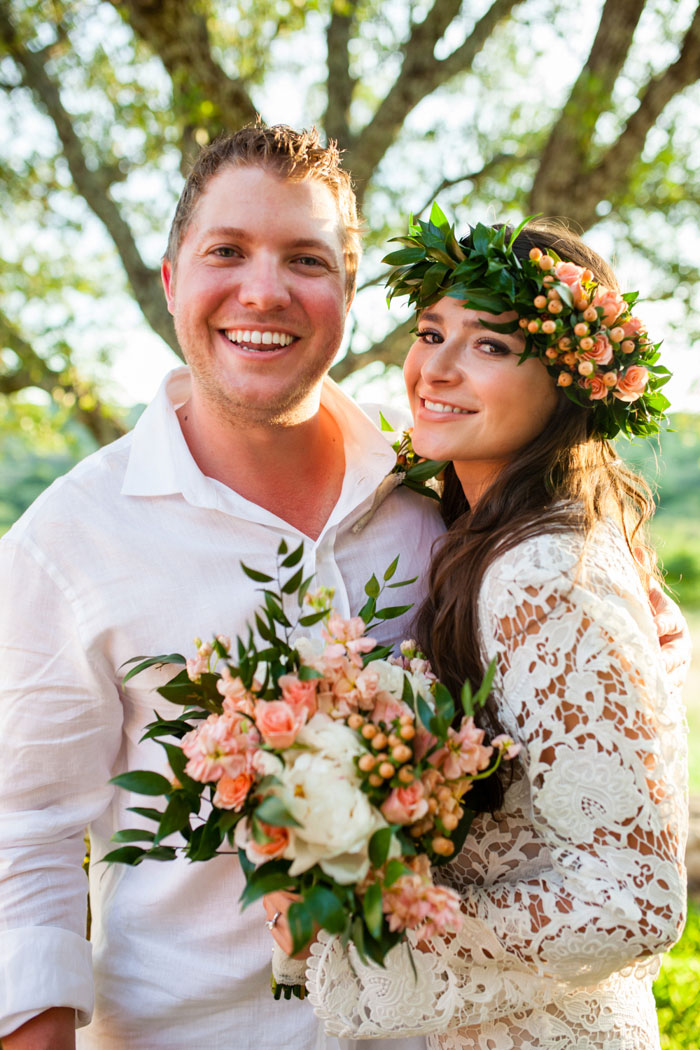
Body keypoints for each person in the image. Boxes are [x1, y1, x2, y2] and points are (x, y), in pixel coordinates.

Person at [0, 125, 444, 1050]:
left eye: (307, 259)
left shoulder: (432, 509)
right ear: (171, 282)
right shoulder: (68, 540)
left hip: (428, 1030)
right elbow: (22, 838)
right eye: (228, 251)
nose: (265, 291)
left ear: (350, 296)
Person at [299, 214, 689, 1048]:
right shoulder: (483, 534)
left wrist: (385, 919)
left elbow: (637, 900)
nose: (434, 369)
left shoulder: (544, 573)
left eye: (488, 346)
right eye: (431, 332)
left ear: (571, 381)